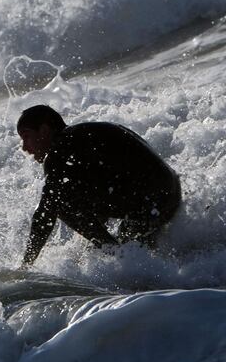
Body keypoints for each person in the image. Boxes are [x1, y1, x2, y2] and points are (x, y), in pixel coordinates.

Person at [17, 105, 181, 266]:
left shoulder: (59, 151)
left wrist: (26, 265)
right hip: (168, 195)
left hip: (148, 199)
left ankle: (117, 257)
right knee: (138, 253)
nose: (25, 147)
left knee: (59, 202)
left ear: (45, 130)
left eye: (26, 137)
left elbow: (45, 213)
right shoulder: (82, 137)